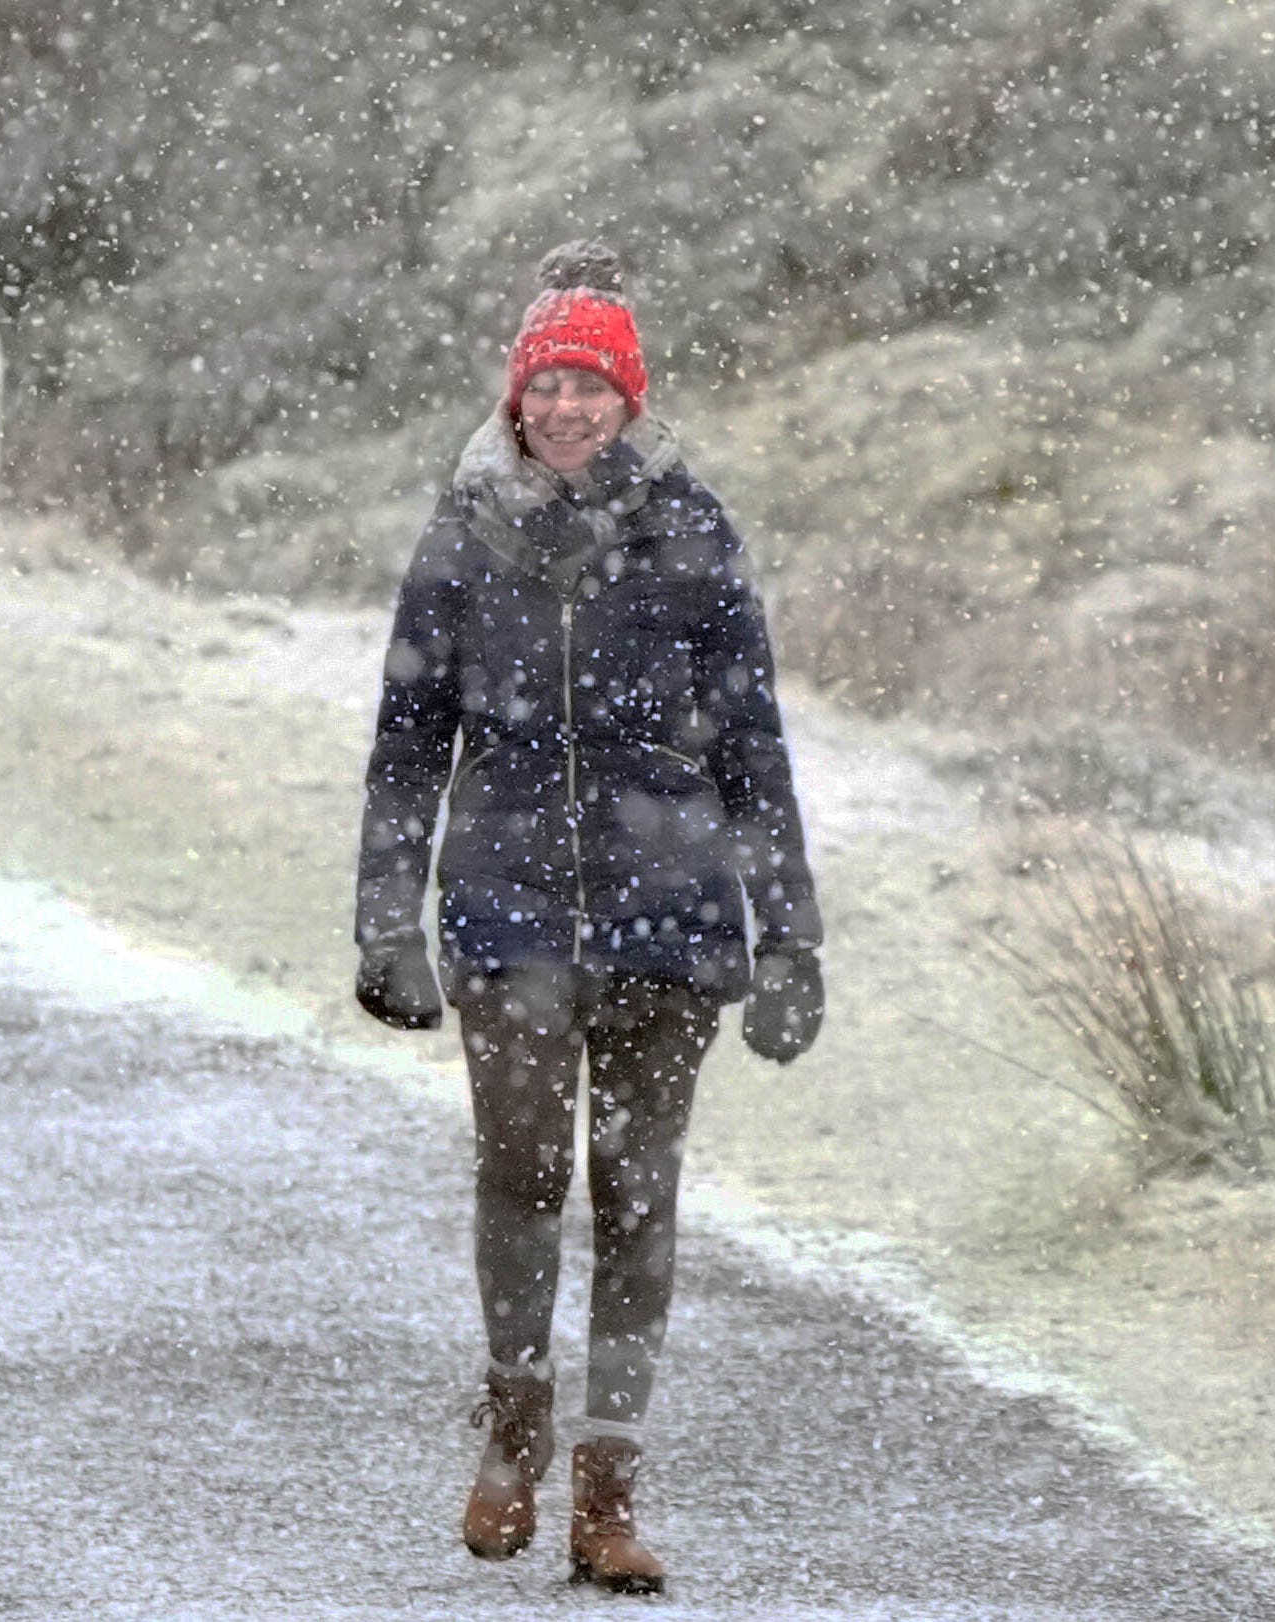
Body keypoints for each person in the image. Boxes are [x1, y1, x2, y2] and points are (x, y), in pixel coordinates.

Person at [353, 243, 823, 1594]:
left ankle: (606, 1486)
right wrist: (387, 915)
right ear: (515, 395)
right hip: (504, 910)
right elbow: (405, 741)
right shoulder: (461, 531)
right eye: (541, 384)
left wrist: (789, 936)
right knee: (520, 1174)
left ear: (627, 395)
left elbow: (753, 744)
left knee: (636, 1193)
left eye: (586, 385)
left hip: (667, 916)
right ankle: (511, 1434)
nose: (561, 407)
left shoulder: (691, 526)